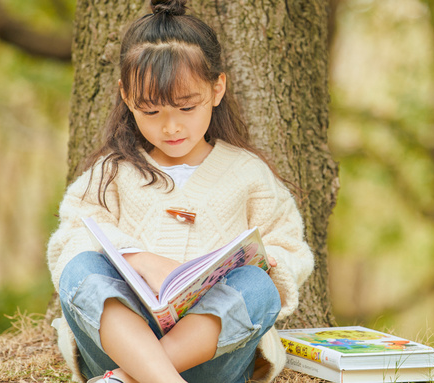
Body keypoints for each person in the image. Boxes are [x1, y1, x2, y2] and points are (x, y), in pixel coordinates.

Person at [46, 0, 314, 382]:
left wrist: (268, 263)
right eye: (151, 112)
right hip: (120, 340)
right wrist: (139, 258)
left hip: (213, 351)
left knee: (259, 285)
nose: (171, 128)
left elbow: (292, 250)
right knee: (80, 267)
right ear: (127, 98)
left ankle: (128, 378)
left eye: (187, 107)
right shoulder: (111, 172)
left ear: (217, 88)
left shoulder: (248, 174)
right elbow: (69, 239)